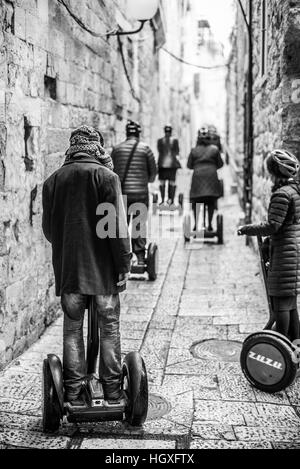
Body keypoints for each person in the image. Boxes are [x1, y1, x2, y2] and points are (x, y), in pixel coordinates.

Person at [42, 125, 131, 408]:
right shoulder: (107, 177)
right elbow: (116, 228)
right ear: (98, 148)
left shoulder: (53, 181)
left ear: (72, 147)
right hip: (103, 272)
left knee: (71, 329)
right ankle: (114, 392)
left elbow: (49, 230)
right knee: (109, 327)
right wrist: (124, 262)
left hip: (71, 271)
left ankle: (72, 393)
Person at [238, 149, 300, 342]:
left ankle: (280, 347)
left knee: (281, 304)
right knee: (290, 303)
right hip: (292, 250)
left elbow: (273, 225)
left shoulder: (281, 194)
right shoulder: (295, 191)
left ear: (273, 171)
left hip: (284, 253)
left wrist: (246, 229)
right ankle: (296, 347)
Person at [111, 120, 157, 265]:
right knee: (139, 225)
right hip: (140, 194)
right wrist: (143, 181)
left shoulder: (117, 149)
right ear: (138, 133)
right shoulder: (145, 149)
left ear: (126, 133)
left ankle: (122, 258)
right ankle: (141, 258)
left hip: (121, 193)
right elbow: (153, 175)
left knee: (121, 226)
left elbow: (111, 172)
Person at [187, 127, 224, 231]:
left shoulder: (194, 150)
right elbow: (220, 164)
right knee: (210, 202)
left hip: (197, 178)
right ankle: (210, 225)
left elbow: (189, 165)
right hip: (211, 177)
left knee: (196, 201)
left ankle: (196, 224)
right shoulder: (215, 149)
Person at [157, 125, 181, 206]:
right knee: (172, 183)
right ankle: (171, 200)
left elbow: (159, 150)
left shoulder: (160, 141)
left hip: (162, 165)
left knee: (162, 183)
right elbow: (177, 151)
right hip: (172, 165)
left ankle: (163, 200)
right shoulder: (175, 141)